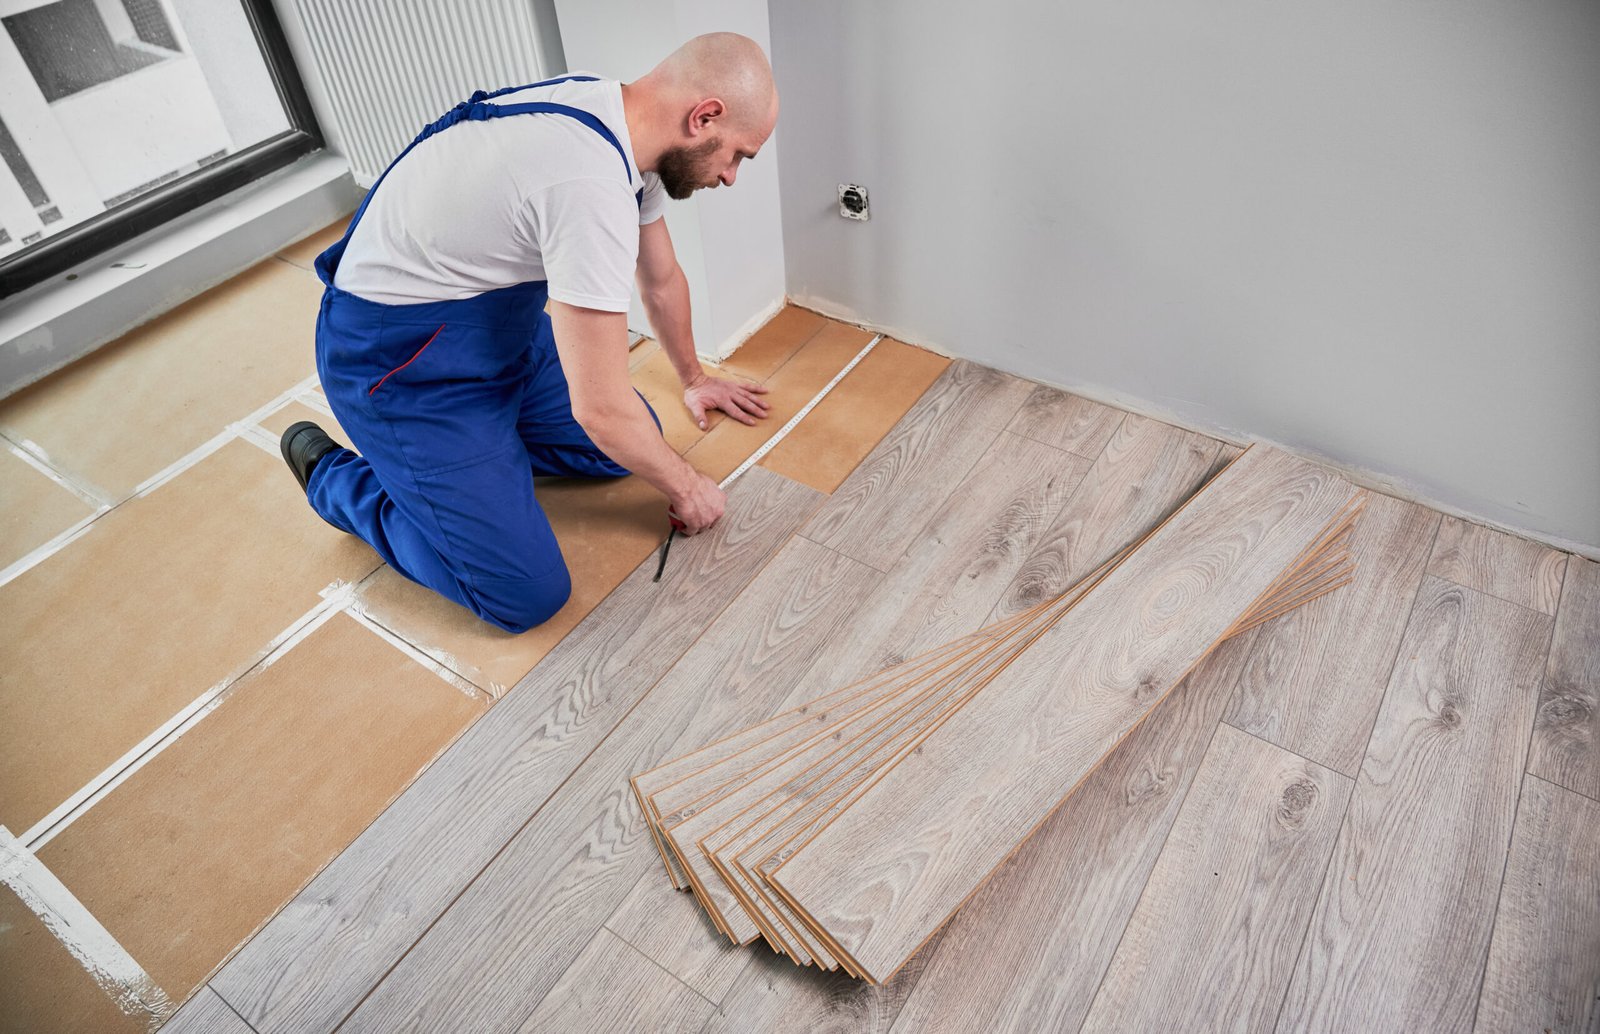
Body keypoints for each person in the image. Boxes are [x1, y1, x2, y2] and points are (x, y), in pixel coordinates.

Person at [279, 33, 779, 633]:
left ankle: (476, 460)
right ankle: (341, 481)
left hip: (493, 329)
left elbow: (662, 279)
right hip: (399, 363)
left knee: (632, 440)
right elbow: (598, 407)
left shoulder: (621, 122)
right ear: (704, 117)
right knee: (524, 594)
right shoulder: (585, 186)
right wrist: (689, 488)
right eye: (738, 156)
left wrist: (694, 378)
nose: (730, 177)